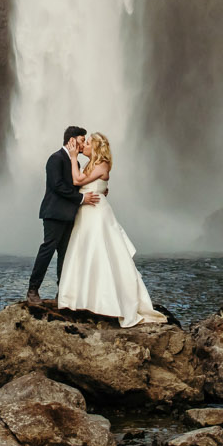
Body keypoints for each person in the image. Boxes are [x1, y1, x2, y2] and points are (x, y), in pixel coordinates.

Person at [56, 131, 164, 327]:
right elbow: (87, 186)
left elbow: (77, 181)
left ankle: (108, 302)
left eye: (88, 143)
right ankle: (81, 300)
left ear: (96, 147)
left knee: (102, 254)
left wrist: (72, 158)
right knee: (84, 254)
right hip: (86, 213)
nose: (84, 146)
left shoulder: (102, 164)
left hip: (97, 214)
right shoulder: (91, 165)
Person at [25, 124, 96, 303]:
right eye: (81, 141)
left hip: (69, 215)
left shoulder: (75, 162)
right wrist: (81, 198)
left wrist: (98, 190)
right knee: (47, 251)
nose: (82, 145)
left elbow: (79, 183)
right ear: (71, 140)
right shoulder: (55, 158)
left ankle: (61, 293)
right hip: (54, 213)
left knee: (65, 255)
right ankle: (33, 290)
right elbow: (57, 186)